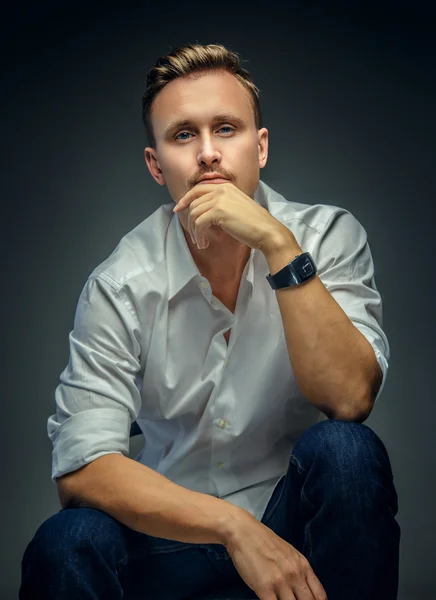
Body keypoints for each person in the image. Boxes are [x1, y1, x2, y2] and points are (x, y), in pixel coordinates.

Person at [19, 42, 400, 600]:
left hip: (294, 529)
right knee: (67, 539)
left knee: (347, 451)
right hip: (170, 541)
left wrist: (276, 243)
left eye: (226, 129)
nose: (208, 155)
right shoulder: (120, 284)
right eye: (182, 135)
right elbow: (81, 468)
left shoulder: (327, 238)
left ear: (261, 147)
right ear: (156, 165)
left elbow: (349, 400)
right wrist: (232, 527)